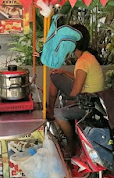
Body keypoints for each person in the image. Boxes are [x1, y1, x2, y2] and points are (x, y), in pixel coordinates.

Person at [45, 24, 105, 156]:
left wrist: (68, 103)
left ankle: (71, 145)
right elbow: (81, 77)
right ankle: (50, 110)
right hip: (92, 97)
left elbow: (76, 91)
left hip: (90, 104)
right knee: (55, 75)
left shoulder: (82, 62)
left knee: (59, 115)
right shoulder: (87, 57)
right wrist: (63, 72)